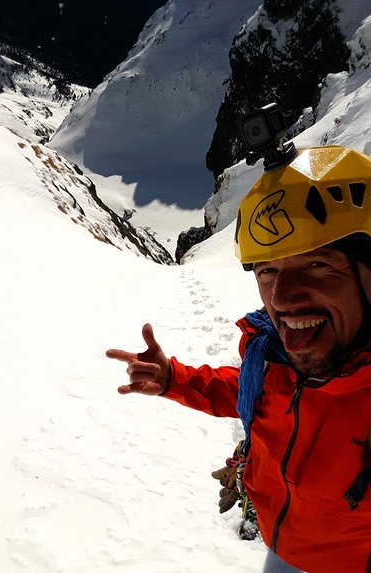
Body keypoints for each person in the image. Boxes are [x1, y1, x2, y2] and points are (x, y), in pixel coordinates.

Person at [106, 143, 371, 573]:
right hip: (283, 547)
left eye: (318, 264)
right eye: (267, 271)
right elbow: (254, 394)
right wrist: (175, 379)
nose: (280, 300)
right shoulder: (275, 359)